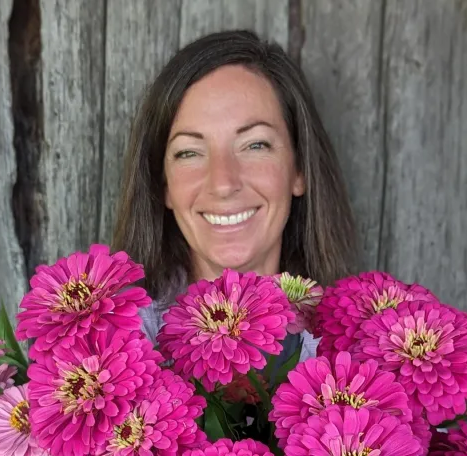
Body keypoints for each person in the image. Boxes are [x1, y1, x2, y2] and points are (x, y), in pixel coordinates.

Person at [112, 29, 356, 361]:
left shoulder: (359, 355)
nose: (223, 183)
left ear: (300, 170)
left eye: (255, 145)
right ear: (163, 184)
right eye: (189, 152)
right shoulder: (110, 351)